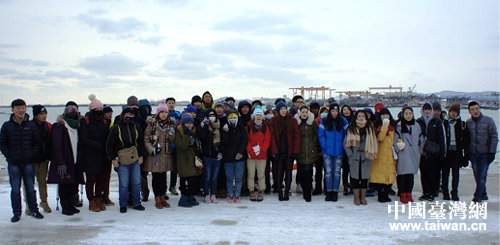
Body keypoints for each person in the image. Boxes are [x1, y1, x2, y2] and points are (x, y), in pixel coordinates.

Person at [0, 99, 43, 222]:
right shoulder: (7, 126)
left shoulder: (31, 125)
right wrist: (9, 155)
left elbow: (37, 143)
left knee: (30, 187)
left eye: (23, 108)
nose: (21, 110)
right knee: (15, 189)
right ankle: (16, 213)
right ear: (13, 110)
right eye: (18, 108)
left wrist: (32, 155)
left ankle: (34, 210)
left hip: (28, 162)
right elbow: (2, 144)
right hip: (14, 163)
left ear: (26, 109)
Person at [106, 106, 146, 213]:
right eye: (127, 114)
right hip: (121, 158)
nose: (130, 116)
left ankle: (137, 202)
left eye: (132, 114)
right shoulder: (116, 128)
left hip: (135, 157)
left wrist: (141, 156)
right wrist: (113, 159)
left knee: (136, 182)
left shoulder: (136, 127)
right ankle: (123, 204)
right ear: (123, 115)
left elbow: (141, 143)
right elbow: (109, 145)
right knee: (124, 183)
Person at [47, 102, 85, 216]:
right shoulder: (60, 126)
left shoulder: (77, 126)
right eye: (72, 113)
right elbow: (57, 146)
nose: (74, 115)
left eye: (75, 113)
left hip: (74, 159)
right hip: (65, 160)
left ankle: (71, 204)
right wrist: (60, 162)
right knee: (64, 184)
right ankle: (65, 206)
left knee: (73, 184)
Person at [143, 100, 176, 209]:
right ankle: (157, 197)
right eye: (161, 112)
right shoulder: (152, 124)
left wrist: (172, 134)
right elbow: (146, 139)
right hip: (155, 155)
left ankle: (163, 196)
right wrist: (151, 149)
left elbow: (173, 140)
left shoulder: (171, 123)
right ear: (158, 113)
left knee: (163, 177)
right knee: (156, 177)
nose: (163, 114)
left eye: (165, 112)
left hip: (166, 154)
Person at [80, 94, 110, 212]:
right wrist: (98, 146)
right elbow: (84, 138)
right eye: (96, 109)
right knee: (91, 179)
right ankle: (91, 200)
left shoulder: (103, 121)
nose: (98, 112)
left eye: (100, 109)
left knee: (101, 179)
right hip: (90, 155)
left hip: (102, 155)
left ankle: (98, 198)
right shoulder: (85, 121)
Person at [344, 110, 378, 205]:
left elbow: (374, 141)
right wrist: (350, 155)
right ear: (356, 117)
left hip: (366, 156)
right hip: (354, 156)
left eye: (363, 116)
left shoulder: (370, 128)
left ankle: (363, 197)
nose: (361, 118)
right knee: (355, 178)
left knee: (364, 178)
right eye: (359, 116)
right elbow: (346, 143)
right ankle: (356, 198)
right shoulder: (351, 127)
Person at [466, 101, 498, 203]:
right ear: (469, 112)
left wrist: (492, 152)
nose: (475, 111)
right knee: (477, 175)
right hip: (473, 153)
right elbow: (466, 139)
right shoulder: (468, 123)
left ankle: (478, 196)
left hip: (485, 153)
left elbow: (494, 137)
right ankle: (483, 193)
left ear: (479, 109)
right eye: (472, 109)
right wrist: (466, 153)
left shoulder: (488, 121)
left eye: (476, 108)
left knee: (482, 175)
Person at [269, 102, 301, 201]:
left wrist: (295, 151)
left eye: (284, 109)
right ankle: (279, 191)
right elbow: (272, 137)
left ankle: (287, 191)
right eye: (281, 109)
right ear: (278, 110)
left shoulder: (292, 120)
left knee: (288, 172)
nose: (283, 111)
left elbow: (297, 136)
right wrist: (274, 152)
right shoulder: (273, 121)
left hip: (289, 150)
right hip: (278, 151)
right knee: (278, 172)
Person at [318, 103, 348, 202]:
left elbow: (346, 134)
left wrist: (344, 147)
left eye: (336, 111)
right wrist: (324, 145)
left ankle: (335, 191)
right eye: (332, 111)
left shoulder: (343, 121)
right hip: (327, 151)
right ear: (330, 111)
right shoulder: (325, 121)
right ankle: (329, 191)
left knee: (337, 172)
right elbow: (321, 135)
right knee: (328, 172)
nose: (334, 113)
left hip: (339, 151)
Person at [394, 106, 424, 203]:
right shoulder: (399, 126)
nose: (408, 116)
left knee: (410, 175)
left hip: (413, 153)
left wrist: (420, 149)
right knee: (402, 175)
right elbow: (395, 139)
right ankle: (402, 193)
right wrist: (398, 148)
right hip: (403, 152)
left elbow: (421, 139)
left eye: (410, 113)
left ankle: (409, 193)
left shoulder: (417, 126)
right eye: (406, 114)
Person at [416, 103, 446, 202]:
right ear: (422, 111)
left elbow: (441, 138)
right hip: (422, 152)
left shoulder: (437, 121)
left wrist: (442, 152)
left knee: (433, 173)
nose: (427, 111)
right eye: (425, 109)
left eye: (429, 109)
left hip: (434, 152)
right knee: (423, 173)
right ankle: (425, 192)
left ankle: (432, 192)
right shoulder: (419, 121)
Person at [26, 105, 52, 214]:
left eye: (45, 113)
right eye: (41, 114)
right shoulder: (29, 126)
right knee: (29, 183)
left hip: (43, 160)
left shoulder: (47, 126)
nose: (44, 116)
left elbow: (50, 141)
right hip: (31, 160)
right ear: (36, 115)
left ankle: (44, 201)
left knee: (42, 181)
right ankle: (29, 204)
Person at [175, 113, 203, 207]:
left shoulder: (193, 132)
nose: (189, 125)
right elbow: (183, 146)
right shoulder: (179, 132)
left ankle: (190, 198)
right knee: (189, 181)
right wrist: (186, 134)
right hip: (184, 161)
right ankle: (184, 199)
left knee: (194, 181)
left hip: (192, 160)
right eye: (187, 123)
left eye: (191, 123)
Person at [443, 103, 469, 201]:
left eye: (455, 112)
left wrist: (465, 155)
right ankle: (445, 191)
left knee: (456, 174)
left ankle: (454, 192)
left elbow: (466, 140)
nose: (453, 114)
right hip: (447, 152)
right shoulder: (444, 123)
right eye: (451, 112)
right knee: (445, 173)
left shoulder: (462, 124)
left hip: (457, 153)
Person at [221, 109, 248, 203]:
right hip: (228, 158)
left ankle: (237, 194)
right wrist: (226, 132)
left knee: (238, 178)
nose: (232, 119)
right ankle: (230, 194)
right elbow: (223, 143)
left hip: (239, 158)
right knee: (229, 178)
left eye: (234, 117)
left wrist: (240, 152)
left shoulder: (241, 127)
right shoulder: (224, 128)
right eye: (230, 117)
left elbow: (244, 141)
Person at [370, 108, 397, 203]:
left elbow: (396, 138)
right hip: (380, 153)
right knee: (380, 176)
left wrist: (399, 142)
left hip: (390, 153)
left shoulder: (393, 127)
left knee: (389, 175)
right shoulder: (377, 126)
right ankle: (381, 195)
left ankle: (386, 193)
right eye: (383, 115)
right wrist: (384, 127)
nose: (385, 116)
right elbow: (380, 138)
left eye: (387, 114)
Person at [294, 105, 320, 202]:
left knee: (308, 172)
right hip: (300, 151)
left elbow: (316, 136)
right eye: (302, 112)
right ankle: (304, 191)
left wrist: (315, 147)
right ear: (299, 113)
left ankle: (308, 194)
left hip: (311, 151)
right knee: (301, 172)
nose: (304, 114)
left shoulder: (312, 123)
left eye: (306, 112)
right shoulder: (296, 123)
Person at [197, 108, 223, 204]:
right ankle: (207, 194)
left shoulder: (219, 126)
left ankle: (213, 194)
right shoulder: (204, 125)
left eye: (213, 115)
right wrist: (205, 127)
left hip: (217, 155)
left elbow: (223, 141)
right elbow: (202, 137)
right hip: (207, 155)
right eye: (210, 115)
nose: (212, 117)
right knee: (207, 176)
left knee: (214, 177)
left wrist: (221, 152)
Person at [246, 106, 271, 202]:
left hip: (262, 155)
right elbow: (246, 140)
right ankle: (251, 190)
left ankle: (261, 190)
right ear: (253, 116)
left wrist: (262, 150)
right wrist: (251, 151)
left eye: (260, 115)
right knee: (251, 174)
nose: (258, 117)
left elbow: (267, 140)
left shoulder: (266, 127)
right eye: (257, 115)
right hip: (251, 155)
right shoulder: (248, 127)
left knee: (261, 174)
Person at [312, 105, 329, 196]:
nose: (324, 114)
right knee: (318, 171)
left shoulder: (330, 122)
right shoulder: (315, 122)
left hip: (328, 150)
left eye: (326, 112)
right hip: (318, 150)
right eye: (323, 112)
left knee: (327, 171)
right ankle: (318, 188)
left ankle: (327, 187)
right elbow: (315, 137)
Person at [166, 97, 181, 196]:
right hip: (165, 145)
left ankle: (172, 186)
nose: (171, 104)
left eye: (173, 103)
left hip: (176, 145)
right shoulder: (162, 114)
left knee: (175, 168)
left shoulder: (177, 114)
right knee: (163, 168)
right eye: (169, 103)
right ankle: (162, 189)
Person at [101, 104, 115, 206]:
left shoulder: (112, 124)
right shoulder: (101, 123)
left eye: (111, 113)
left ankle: (106, 195)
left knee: (107, 176)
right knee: (100, 177)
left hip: (108, 154)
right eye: (107, 113)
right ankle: (100, 196)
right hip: (100, 153)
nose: (109, 115)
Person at [340, 104, 354, 196]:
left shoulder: (354, 120)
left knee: (352, 167)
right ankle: (345, 185)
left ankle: (353, 185)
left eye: (347, 109)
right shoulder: (340, 121)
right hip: (343, 146)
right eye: (344, 110)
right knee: (345, 167)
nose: (346, 111)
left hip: (353, 146)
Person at [264, 109, 276, 194]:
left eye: (271, 114)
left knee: (276, 170)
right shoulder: (263, 124)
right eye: (268, 114)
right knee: (265, 170)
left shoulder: (275, 123)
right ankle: (267, 186)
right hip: (265, 151)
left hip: (274, 150)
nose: (270, 115)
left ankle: (276, 185)